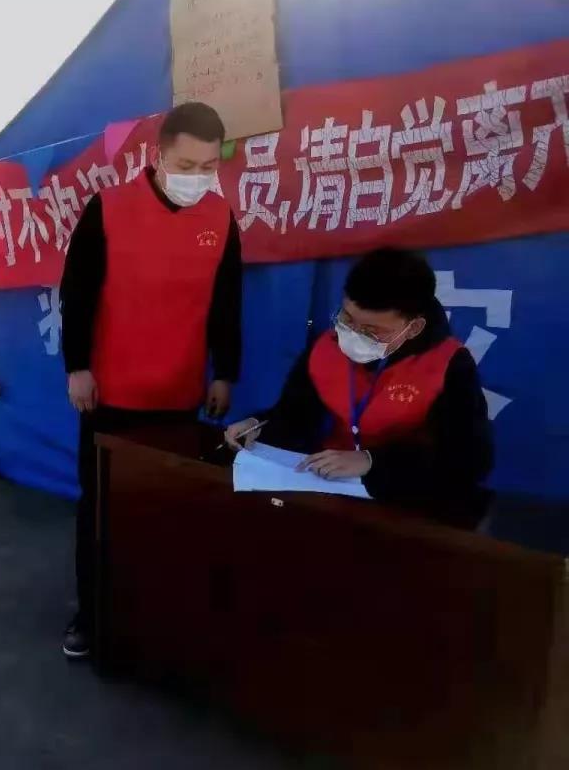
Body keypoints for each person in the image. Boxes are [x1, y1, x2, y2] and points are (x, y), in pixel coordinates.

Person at [58, 102, 243, 659]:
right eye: (186, 164)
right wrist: (77, 367)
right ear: (159, 155)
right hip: (109, 394)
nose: (198, 177)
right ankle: (92, 615)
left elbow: (227, 303)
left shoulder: (220, 219)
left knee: (166, 511)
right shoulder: (109, 208)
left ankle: (157, 616)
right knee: (101, 510)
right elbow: (77, 293)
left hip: (180, 395)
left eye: (208, 167)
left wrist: (225, 373)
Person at [225, 247, 493, 526]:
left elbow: (470, 460)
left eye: (372, 331)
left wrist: (371, 461)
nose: (353, 335)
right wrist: (259, 425)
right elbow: (296, 415)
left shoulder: (449, 364)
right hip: (330, 484)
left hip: (408, 500)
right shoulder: (327, 346)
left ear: (413, 328)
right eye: (347, 319)